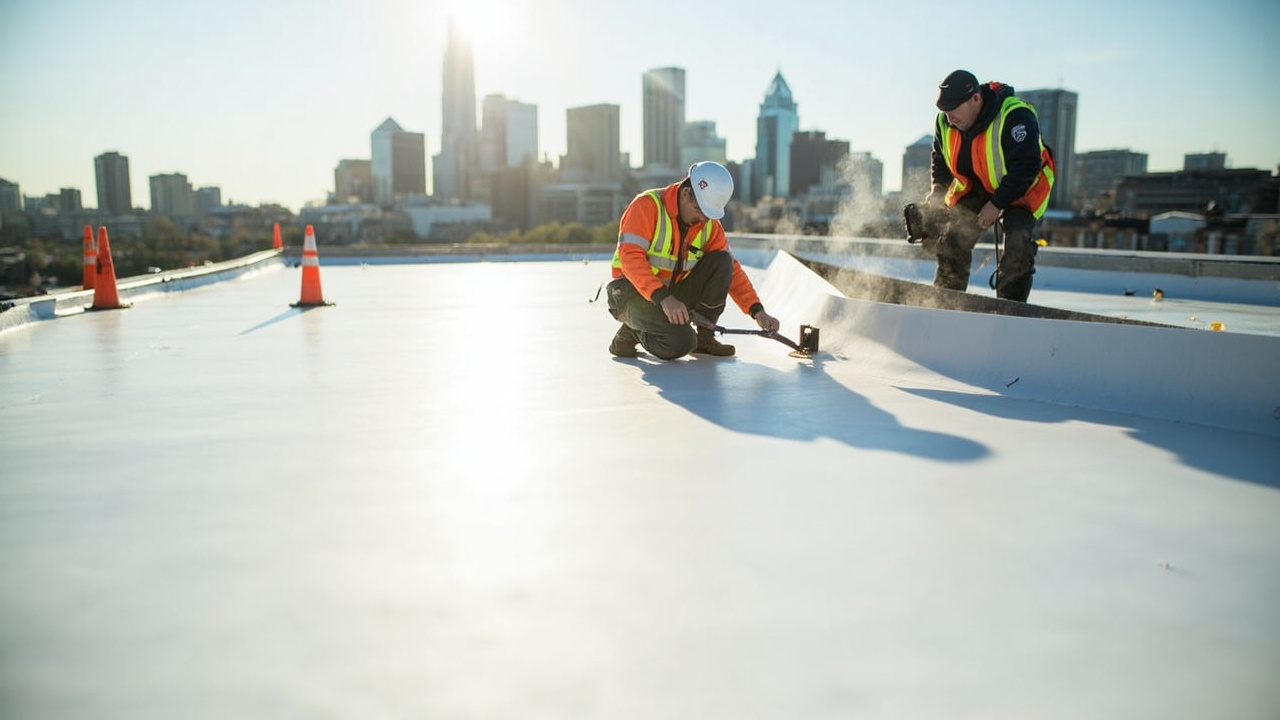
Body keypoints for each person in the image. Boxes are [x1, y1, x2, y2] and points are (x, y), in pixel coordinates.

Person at [606, 161, 780, 360]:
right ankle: (630, 332)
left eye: (708, 214)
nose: (703, 219)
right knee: (681, 343)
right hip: (629, 294)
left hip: (670, 294)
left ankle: (705, 339)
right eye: (699, 210)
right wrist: (664, 298)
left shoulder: (709, 225)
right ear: (686, 193)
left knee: (722, 261)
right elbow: (630, 258)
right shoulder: (647, 206)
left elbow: (731, 270)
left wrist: (758, 311)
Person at [916, 69, 1056, 302]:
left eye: (954, 110)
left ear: (976, 98)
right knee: (954, 238)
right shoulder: (945, 121)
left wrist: (997, 204)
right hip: (979, 187)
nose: (949, 118)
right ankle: (946, 299)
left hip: (1023, 186)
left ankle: (1010, 307)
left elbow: (1027, 166)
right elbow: (940, 160)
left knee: (1018, 240)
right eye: (945, 112)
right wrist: (938, 192)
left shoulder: (1015, 116)